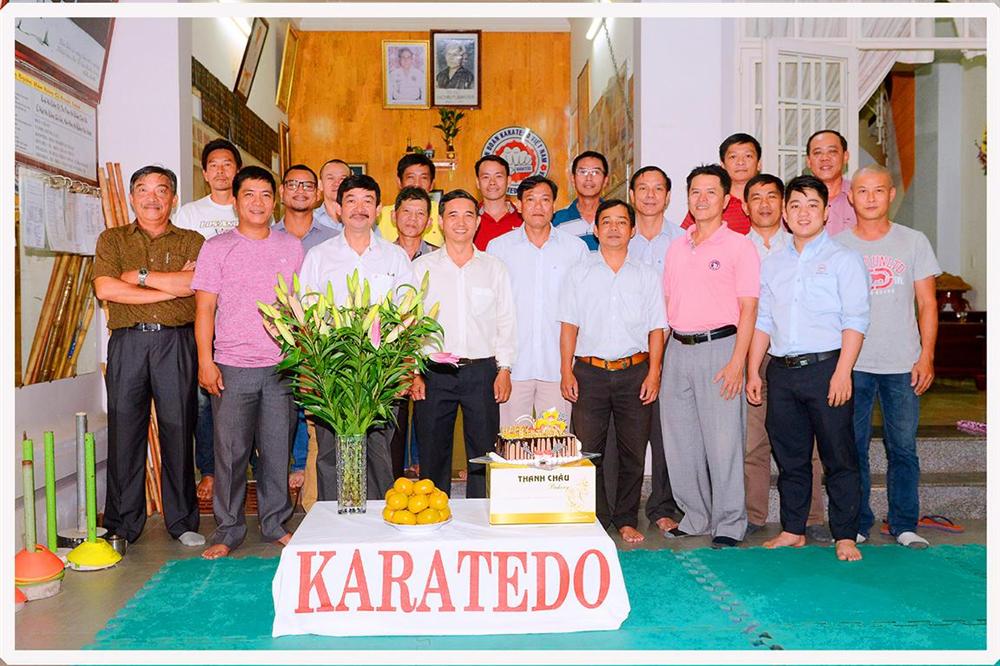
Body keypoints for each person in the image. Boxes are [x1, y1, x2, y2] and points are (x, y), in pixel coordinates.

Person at [746, 174, 869, 562]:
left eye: (812, 205)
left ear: (826, 212)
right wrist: (753, 371)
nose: (803, 213)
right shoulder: (773, 264)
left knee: (839, 457)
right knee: (791, 457)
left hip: (827, 368)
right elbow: (764, 320)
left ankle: (845, 534)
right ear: (785, 213)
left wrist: (843, 372)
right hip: (781, 372)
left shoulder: (844, 259)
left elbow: (856, 320)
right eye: (795, 205)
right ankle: (793, 529)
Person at [192, 166, 303, 559]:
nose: (258, 202)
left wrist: (302, 359)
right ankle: (228, 530)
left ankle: (275, 524)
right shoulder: (216, 248)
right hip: (232, 366)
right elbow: (204, 309)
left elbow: (299, 308)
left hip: (280, 366)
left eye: (265, 195)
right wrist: (205, 361)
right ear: (236, 202)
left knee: (276, 451)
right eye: (249, 195)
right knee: (230, 453)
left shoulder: (291, 247)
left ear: (275, 202)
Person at [93, 165, 205, 547]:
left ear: (173, 198)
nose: (152, 198)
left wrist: (137, 277)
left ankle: (182, 522)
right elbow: (106, 289)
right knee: (124, 432)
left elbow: (195, 284)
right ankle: (123, 525)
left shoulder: (192, 241)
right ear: (131, 197)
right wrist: (171, 288)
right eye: (143, 190)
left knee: (179, 428)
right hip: (128, 343)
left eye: (161, 190)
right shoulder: (112, 239)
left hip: (176, 343)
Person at [837, 165, 941, 548]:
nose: (870, 198)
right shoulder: (838, 245)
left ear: (891, 194)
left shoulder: (913, 241)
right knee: (854, 448)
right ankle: (857, 522)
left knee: (903, 448)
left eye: (878, 190)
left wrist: (926, 355)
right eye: (862, 191)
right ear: (851, 196)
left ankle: (904, 524)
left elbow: (927, 304)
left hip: (903, 364)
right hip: (854, 365)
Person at [660, 164, 759, 549]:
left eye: (710, 192)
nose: (702, 199)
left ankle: (730, 522)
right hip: (677, 350)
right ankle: (695, 516)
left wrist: (737, 362)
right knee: (680, 442)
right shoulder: (676, 246)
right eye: (695, 192)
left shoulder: (739, 246)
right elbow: (668, 304)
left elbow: (748, 309)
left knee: (723, 443)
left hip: (720, 349)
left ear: (726, 199)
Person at [298, 174, 415, 501]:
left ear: (378, 210)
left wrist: (404, 368)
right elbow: (305, 315)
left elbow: (408, 312)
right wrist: (308, 370)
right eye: (351, 201)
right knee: (330, 452)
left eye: (367, 201)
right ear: (338, 209)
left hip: (380, 371)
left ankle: (375, 522)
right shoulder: (319, 256)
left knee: (378, 451)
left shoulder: (394, 257)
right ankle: (335, 521)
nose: (359, 208)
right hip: (332, 368)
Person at [558, 200, 665, 543]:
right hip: (589, 373)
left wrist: (654, 373)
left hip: (635, 371)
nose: (614, 228)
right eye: (607, 222)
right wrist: (566, 371)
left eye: (621, 222)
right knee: (589, 450)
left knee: (633, 451)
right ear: (596, 229)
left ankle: (626, 518)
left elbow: (657, 329)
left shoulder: (647, 275)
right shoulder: (579, 272)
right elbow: (569, 326)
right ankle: (596, 517)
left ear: (632, 230)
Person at [741, 173, 829, 540]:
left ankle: (812, 517)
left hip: (796, 356)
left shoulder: (801, 245)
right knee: (753, 441)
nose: (764, 204)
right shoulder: (737, 247)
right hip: (752, 352)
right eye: (756, 197)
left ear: (784, 206)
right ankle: (753, 514)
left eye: (772, 197)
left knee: (809, 442)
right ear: (744, 206)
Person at [411, 190, 516, 498]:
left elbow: (506, 321)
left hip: (481, 371)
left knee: (484, 453)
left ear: (478, 221)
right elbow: (410, 323)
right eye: (453, 215)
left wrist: (505, 368)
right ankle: (433, 511)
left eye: (469, 215)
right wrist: (414, 371)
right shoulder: (421, 268)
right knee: (433, 451)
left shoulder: (494, 267)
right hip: (434, 372)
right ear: (440, 222)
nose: (461, 222)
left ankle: (481, 514)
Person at [487, 175, 587, 426]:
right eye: (530, 200)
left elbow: (583, 309)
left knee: (555, 443)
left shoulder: (575, 249)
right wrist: (500, 366)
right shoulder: (499, 248)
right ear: (519, 205)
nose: (538, 206)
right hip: (514, 367)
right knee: (513, 443)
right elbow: (492, 310)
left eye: (545, 200)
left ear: (554, 205)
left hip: (558, 367)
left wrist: (572, 367)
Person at [174, 138, 242, 504]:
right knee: (204, 400)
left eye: (227, 164)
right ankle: (210, 470)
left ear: (237, 169)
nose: (220, 170)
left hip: (242, 318)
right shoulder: (189, 213)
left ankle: (247, 468)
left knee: (243, 396)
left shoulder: (249, 205)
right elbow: (183, 267)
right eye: (213, 165)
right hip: (202, 316)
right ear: (204, 172)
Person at [626, 166, 685, 532]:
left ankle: (663, 505)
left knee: (666, 433)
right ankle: (620, 507)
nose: (650, 195)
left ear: (668, 196)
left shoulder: (683, 241)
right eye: (643, 188)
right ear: (632, 195)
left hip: (673, 346)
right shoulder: (619, 237)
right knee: (626, 433)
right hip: (627, 351)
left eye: (657, 188)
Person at [273, 164, 338, 492]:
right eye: (293, 184)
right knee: (275, 427)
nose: (300, 191)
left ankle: (314, 500)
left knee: (318, 427)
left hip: (320, 344)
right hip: (273, 342)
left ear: (318, 194)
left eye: (307, 185)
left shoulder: (334, 240)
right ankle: (278, 500)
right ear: (281, 191)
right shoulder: (266, 235)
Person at [390, 187, 437, 478]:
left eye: (420, 213)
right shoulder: (381, 255)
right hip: (390, 358)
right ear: (393, 217)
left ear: (429, 222)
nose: (412, 219)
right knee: (392, 433)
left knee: (429, 431)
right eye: (406, 211)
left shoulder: (438, 257)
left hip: (428, 355)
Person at [681, 132, 759, 235]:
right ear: (723, 165)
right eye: (733, 157)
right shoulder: (711, 203)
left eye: (748, 156)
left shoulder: (768, 202)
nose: (740, 162)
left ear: (759, 164)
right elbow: (685, 238)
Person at [376, 153, 443, 245]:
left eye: (424, 178)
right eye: (411, 177)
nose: (417, 184)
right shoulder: (380, 215)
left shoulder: (443, 213)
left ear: (432, 184)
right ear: (399, 182)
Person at [552, 150, 608, 251]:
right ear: (573, 179)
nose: (589, 178)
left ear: (605, 180)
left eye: (595, 172)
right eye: (583, 172)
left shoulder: (617, 218)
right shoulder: (556, 221)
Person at [804, 129, 855, 236]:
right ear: (808, 161)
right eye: (818, 153)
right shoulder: (795, 199)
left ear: (845, 157)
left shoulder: (861, 195)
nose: (825, 158)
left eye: (832, 151)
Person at [474, 155, 522, 250]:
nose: (492, 182)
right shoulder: (469, 219)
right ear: (478, 182)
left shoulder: (524, 218)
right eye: (486, 177)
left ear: (508, 181)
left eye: (498, 176)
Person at [313, 159, 351, 232]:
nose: (336, 183)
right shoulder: (309, 219)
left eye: (342, 179)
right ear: (320, 184)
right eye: (330, 178)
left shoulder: (361, 218)